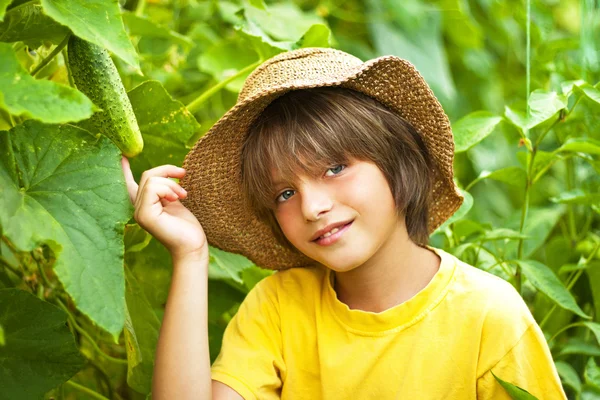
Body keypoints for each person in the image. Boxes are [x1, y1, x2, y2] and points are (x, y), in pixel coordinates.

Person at [121, 48, 567, 399]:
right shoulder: (278, 309)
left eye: (334, 168)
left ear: (397, 162)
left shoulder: (490, 317)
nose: (313, 207)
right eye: (285, 194)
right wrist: (191, 255)